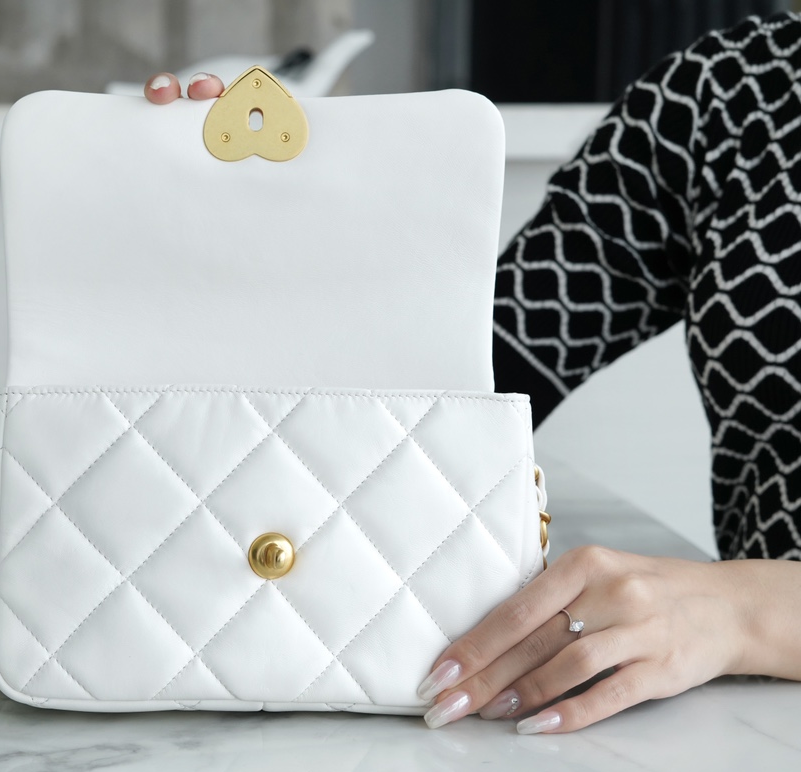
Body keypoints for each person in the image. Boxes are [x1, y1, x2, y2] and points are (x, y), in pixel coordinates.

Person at [142, 11, 801, 735]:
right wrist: (241, 232)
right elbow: (463, 379)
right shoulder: (730, 89)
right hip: (757, 728)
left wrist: (752, 610)